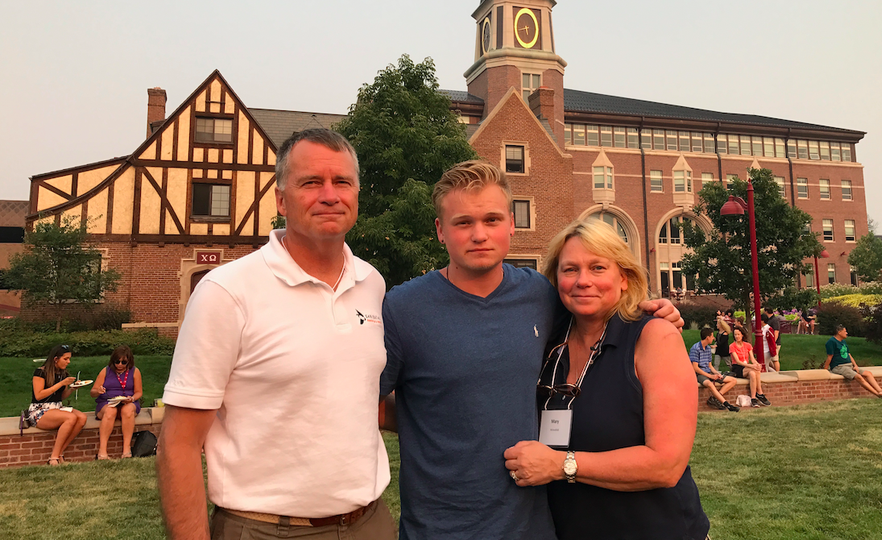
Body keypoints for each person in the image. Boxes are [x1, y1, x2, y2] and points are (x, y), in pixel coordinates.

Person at [379, 161, 682, 540]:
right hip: (441, 525)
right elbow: (364, 402)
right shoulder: (403, 308)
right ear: (440, 231)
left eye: (491, 220)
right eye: (462, 223)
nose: (479, 234)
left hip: (531, 524)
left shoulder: (540, 294)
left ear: (511, 223)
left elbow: (594, 300)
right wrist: (424, 417)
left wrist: (650, 309)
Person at [157, 129, 395, 540]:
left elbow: (356, 396)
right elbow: (177, 445)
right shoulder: (226, 291)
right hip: (264, 528)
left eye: (342, 182)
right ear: (281, 198)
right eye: (310, 183)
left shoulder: (371, 283)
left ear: (357, 193)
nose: (329, 194)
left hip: (370, 522)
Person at [501, 219, 710, 540]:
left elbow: (666, 464)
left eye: (598, 268)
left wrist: (561, 464)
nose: (583, 281)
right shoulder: (546, 341)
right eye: (570, 270)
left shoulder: (654, 336)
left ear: (624, 278)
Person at [26, 344, 88, 465]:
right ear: (55, 359)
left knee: (82, 418)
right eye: (65, 359)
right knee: (71, 417)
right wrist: (61, 384)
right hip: (39, 410)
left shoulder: (63, 374)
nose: (68, 362)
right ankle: (53, 457)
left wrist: (71, 389)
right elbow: (39, 395)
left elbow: (61, 397)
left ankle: (60, 452)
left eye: (69, 358)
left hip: (57, 407)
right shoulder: (40, 372)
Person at [91, 345, 142, 459]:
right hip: (107, 402)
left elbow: (139, 392)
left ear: (129, 362)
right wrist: (98, 391)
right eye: (116, 361)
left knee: (128, 410)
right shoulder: (105, 371)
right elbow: (92, 392)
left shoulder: (135, 371)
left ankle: (126, 450)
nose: (119, 365)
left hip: (127, 402)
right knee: (110, 411)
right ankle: (102, 451)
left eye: (123, 362)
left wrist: (132, 399)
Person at [824, 325, 882, 398]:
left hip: (849, 365)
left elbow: (848, 354)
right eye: (845, 331)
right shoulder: (831, 342)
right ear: (839, 332)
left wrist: (855, 365)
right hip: (839, 367)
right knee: (858, 377)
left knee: (868, 373)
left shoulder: (843, 342)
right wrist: (825, 370)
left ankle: (880, 391)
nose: (847, 333)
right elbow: (830, 357)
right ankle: (877, 394)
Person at [690, 327, 740, 412]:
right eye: (712, 336)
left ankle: (715, 398)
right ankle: (727, 405)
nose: (713, 338)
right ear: (707, 337)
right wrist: (710, 376)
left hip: (709, 372)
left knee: (733, 380)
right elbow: (695, 368)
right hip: (699, 374)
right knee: (710, 384)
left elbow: (710, 365)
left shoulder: (708, 348)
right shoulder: (695, 348)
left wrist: (717, 374)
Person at [729, 326, 770, 407]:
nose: (737, 336)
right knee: (753, 370)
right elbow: (738, 361)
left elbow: (752, 359)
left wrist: (757, 364)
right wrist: (751, 366)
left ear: (742, 335)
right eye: (735, 335)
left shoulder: (747, 345)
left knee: (753, 373)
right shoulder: (732, 346)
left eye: (738, 334)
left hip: (747, 367)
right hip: (737, 367)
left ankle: (753, 398)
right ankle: (760, 393)